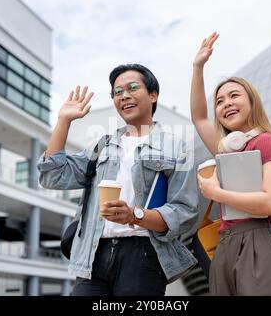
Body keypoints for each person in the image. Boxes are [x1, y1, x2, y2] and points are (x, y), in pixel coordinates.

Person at [38, 64, 199, 296]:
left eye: (133, 88)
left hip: (143, 256)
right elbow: (53, 176)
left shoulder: (177, 148)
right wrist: (64, 121)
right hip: (93, 256)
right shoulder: (101, 146)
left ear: (153, 95)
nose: (124, 96)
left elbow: (184, 212)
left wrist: (134, 215)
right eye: (118, 92)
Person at [191, 32, 271, 296]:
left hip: (261, 241)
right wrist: (198, 67)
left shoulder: (265, 142)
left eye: (234, 96)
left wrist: (215, 193)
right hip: (227, 243)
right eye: (219, 101)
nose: (226, 104)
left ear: (251, 101)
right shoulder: (226, 149)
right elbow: (198, 117)